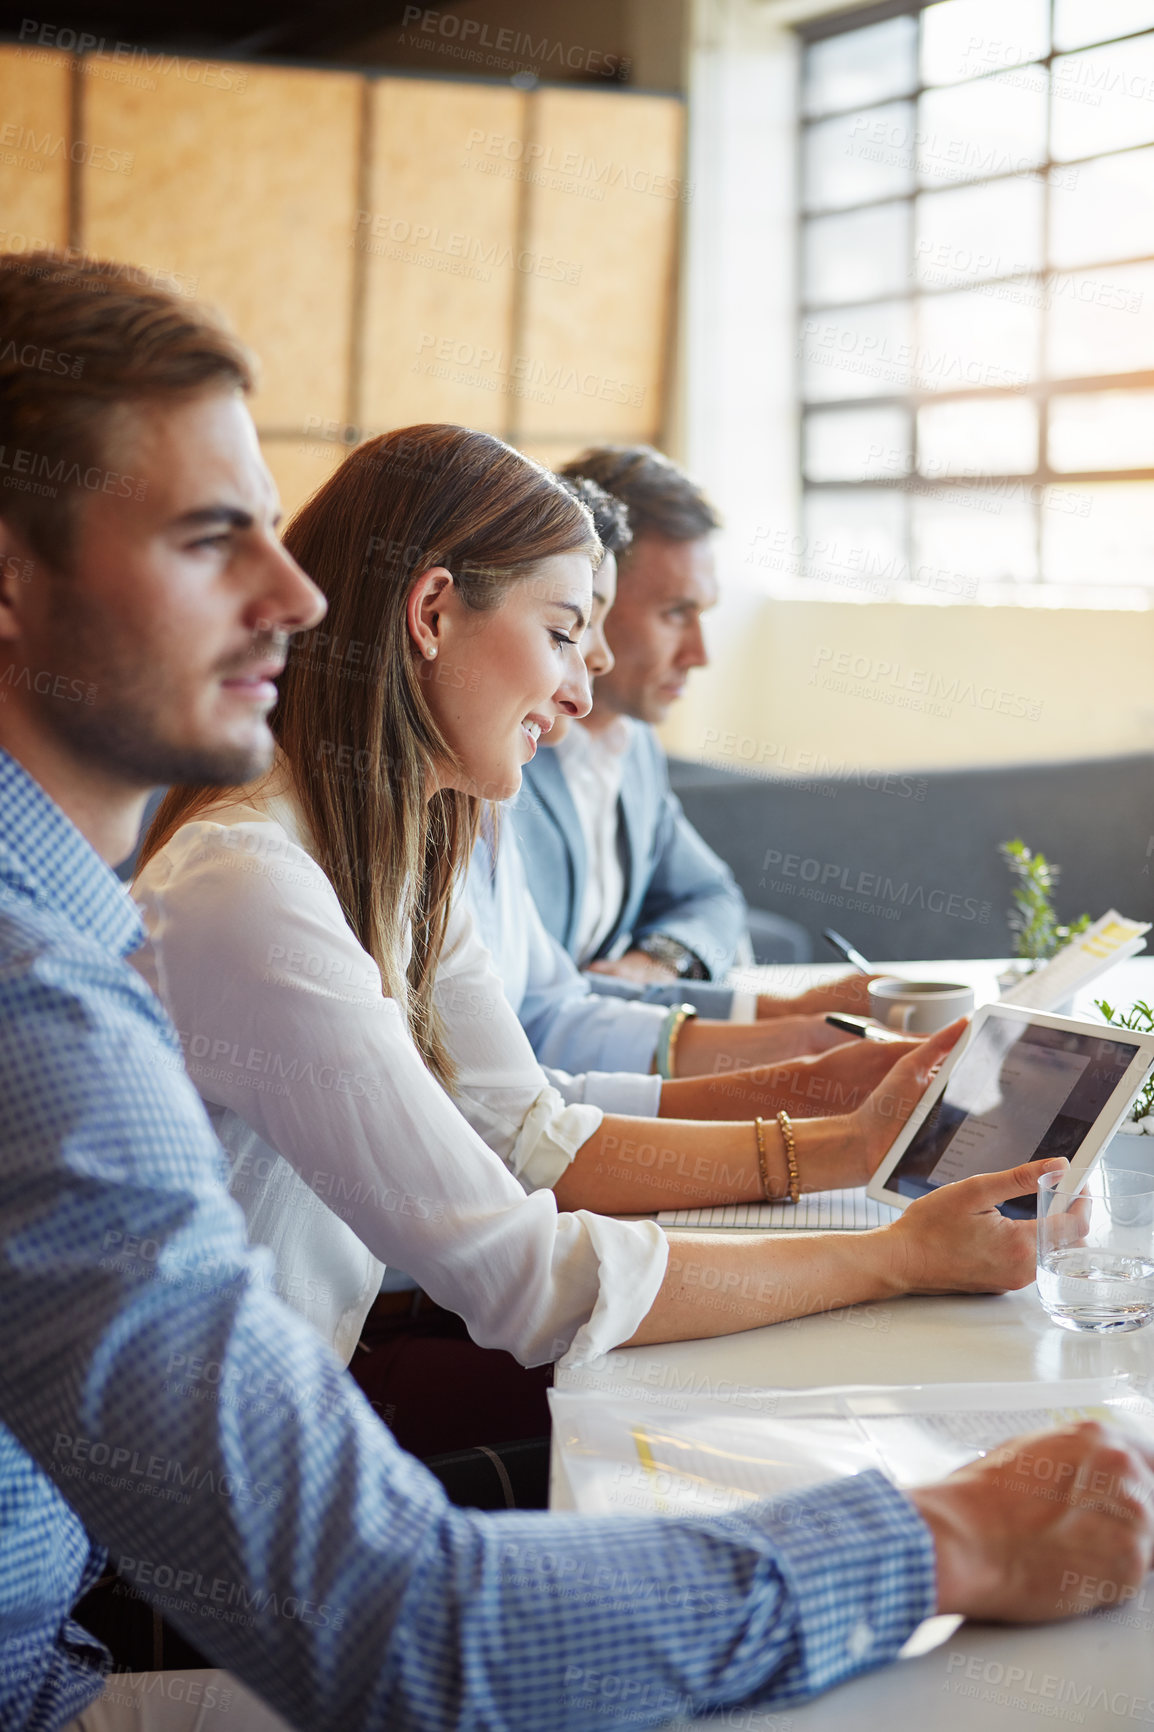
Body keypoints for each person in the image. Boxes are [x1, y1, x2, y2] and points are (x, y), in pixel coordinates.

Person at [2, 252, 1152, 1732]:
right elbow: (410, 1625)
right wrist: (953, 1534)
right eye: (212, 535)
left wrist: (823, 1129)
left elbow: (522, 1114)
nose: (290, 591)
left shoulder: (192, 890)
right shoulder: (109, 961)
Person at [134, 422, 1057, 1407]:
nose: (581, 690)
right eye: (564, 631)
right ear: (432, 612)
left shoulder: (405, 838)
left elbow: (526, 1132)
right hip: (213, 1452)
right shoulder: (251, 883)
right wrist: (890, 1256)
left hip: (318, 1375)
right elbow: (526, 1274)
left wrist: (850, 1132)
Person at [513, 443, 870, 1025]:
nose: (700, 654)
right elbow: (540, 1007)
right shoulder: (499, 758)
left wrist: (657, 961)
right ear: (587, 598)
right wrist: (785, 1019)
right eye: (676, 613)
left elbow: (711, 896)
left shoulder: (634, 748)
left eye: (704, 613)